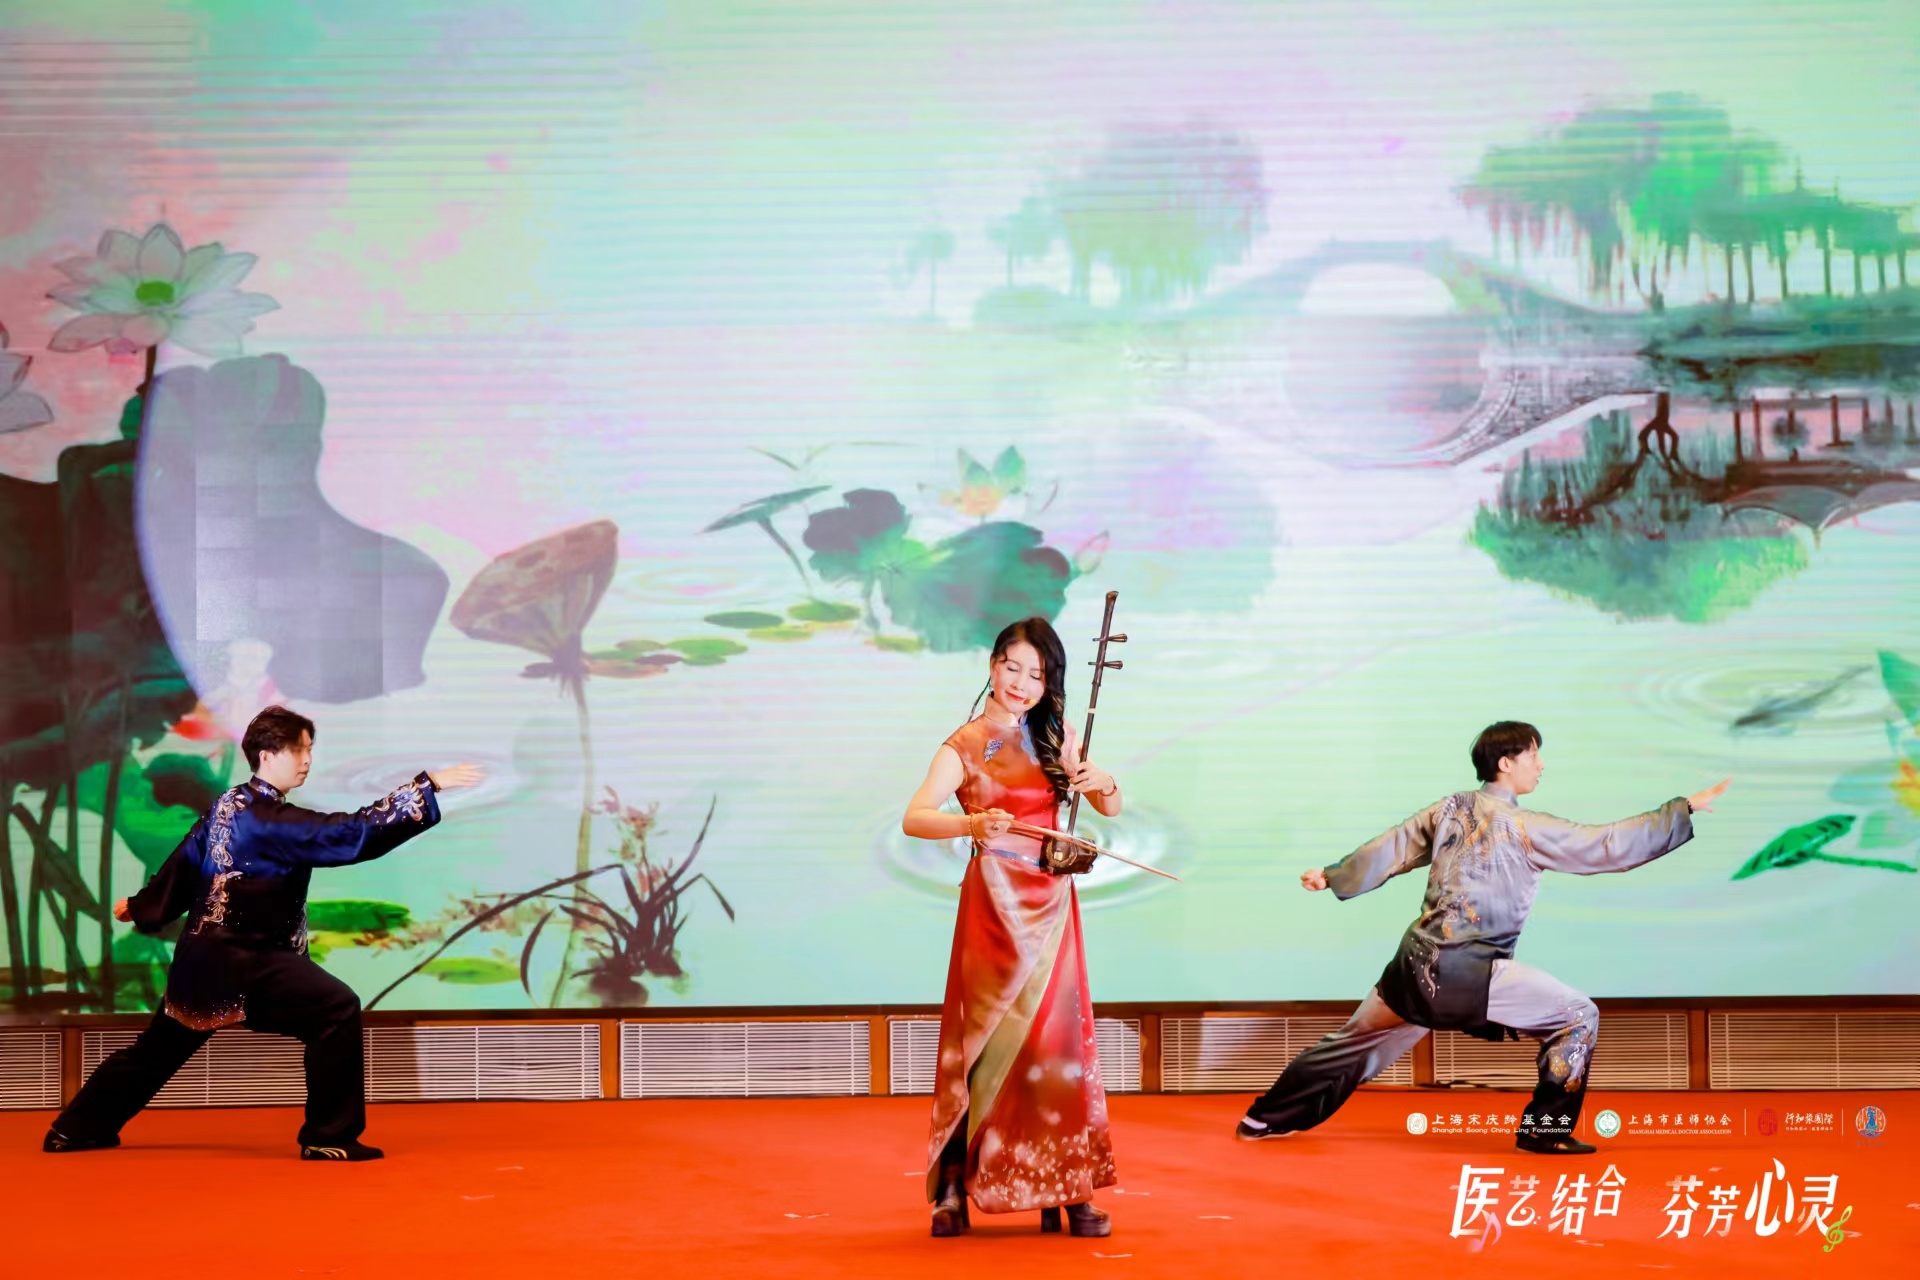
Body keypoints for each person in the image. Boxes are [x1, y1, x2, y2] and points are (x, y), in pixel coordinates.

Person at [1237, 721, 1729, 1155]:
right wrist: (1682, 809)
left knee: (1353, 1043)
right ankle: (1544, 1131)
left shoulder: (1449, 808)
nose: (1540, 764)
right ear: (1506, 762)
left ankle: (1263, 1119)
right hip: (1469, 971)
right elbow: (1604, 844)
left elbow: (1393, 846)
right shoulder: (1524, 826)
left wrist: (1332, 875)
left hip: (1415, 965)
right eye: (1533, 754)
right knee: (1579, 1016)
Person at [43, 705, 483, 1161]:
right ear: (268, 754)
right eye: (298, 750)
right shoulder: (269, 819)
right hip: (247, 962)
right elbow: (351, 833)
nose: (307, 760)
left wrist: (142, 906)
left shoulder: (230, 804)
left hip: (204, 962)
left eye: (309, 749)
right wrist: (426, 787)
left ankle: (75, 1129)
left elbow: (187, 862)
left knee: (159, 1049)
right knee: (336, 1008)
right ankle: (328, 1136)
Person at [903, 617, 1123, 1237]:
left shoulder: (1057, 737)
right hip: (993, 906)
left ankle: (1067, 1185)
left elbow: (1108, 806)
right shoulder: (965, 744)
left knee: (1057, 1047)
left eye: (1037, 674)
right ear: (993, 665)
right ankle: (954, 1186)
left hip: (1052, 905)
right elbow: (916, 817)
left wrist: (1103, 781)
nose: (1022, 683)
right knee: (983, 1043)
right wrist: (971, 825)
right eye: (1012, 667)